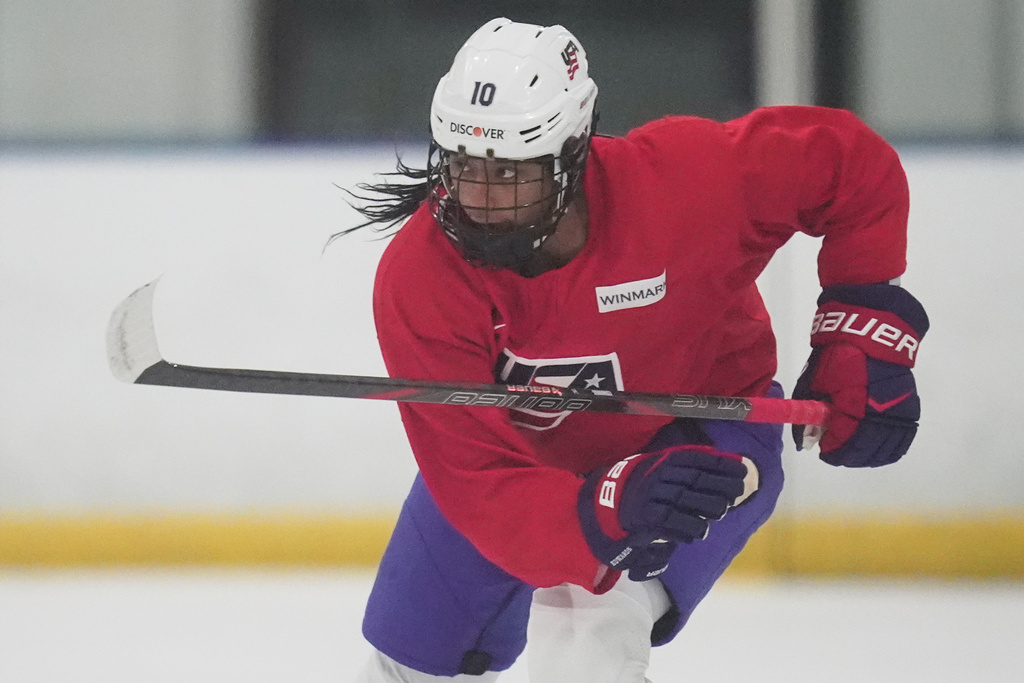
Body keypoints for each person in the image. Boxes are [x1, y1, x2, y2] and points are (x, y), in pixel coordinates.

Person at [343, 17, 929, 683]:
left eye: (508, 172)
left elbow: (849, 162)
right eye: (463, 166)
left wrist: (861, 331)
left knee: (593, 633)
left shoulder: (684, 183)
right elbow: (478, 477)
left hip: (699, 439)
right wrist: (600, 507)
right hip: (519, 471)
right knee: (404, 663)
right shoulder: (420, 276)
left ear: (572, 150)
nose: (476, 198)